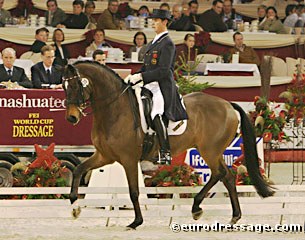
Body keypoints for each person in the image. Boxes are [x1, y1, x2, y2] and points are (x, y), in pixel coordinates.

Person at [124, 9, 188, 165]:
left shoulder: (168, 44)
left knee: (155, 113)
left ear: (165, 22)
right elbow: (147, 67)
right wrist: (135, 76)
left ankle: (165, 151)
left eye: (156, 20)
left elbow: (164, 71)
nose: (153, 23)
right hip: (149, 84)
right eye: (152, 20)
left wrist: (142, 77)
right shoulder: (154, 42)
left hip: (162, 86)